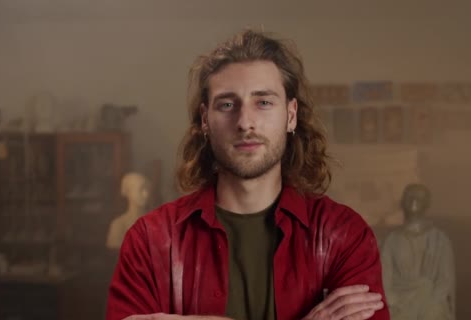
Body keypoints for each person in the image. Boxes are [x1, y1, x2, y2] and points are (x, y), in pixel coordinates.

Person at [106, 29, 389, 320]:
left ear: (291, 115)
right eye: (227, 104)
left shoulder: (344, 235)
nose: (245, 122)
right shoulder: (149, 241)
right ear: (205, 120)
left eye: (263, 102)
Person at [381, 183, 455, 320]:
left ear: (427, 203)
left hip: (430, 303)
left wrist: (428, 302)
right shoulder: (392, 241)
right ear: (402, 202)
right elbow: (385, 279)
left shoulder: (439, 239)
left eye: (420, 197)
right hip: (399, 304)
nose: (414, 200)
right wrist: (396, 302)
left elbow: (445, 279)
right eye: (410, 196)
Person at [106, 173, 151, 250]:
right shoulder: (118, 225)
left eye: (147, 189)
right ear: (129, 192)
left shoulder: (155, 221)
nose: (146, 194)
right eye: (141, 189)